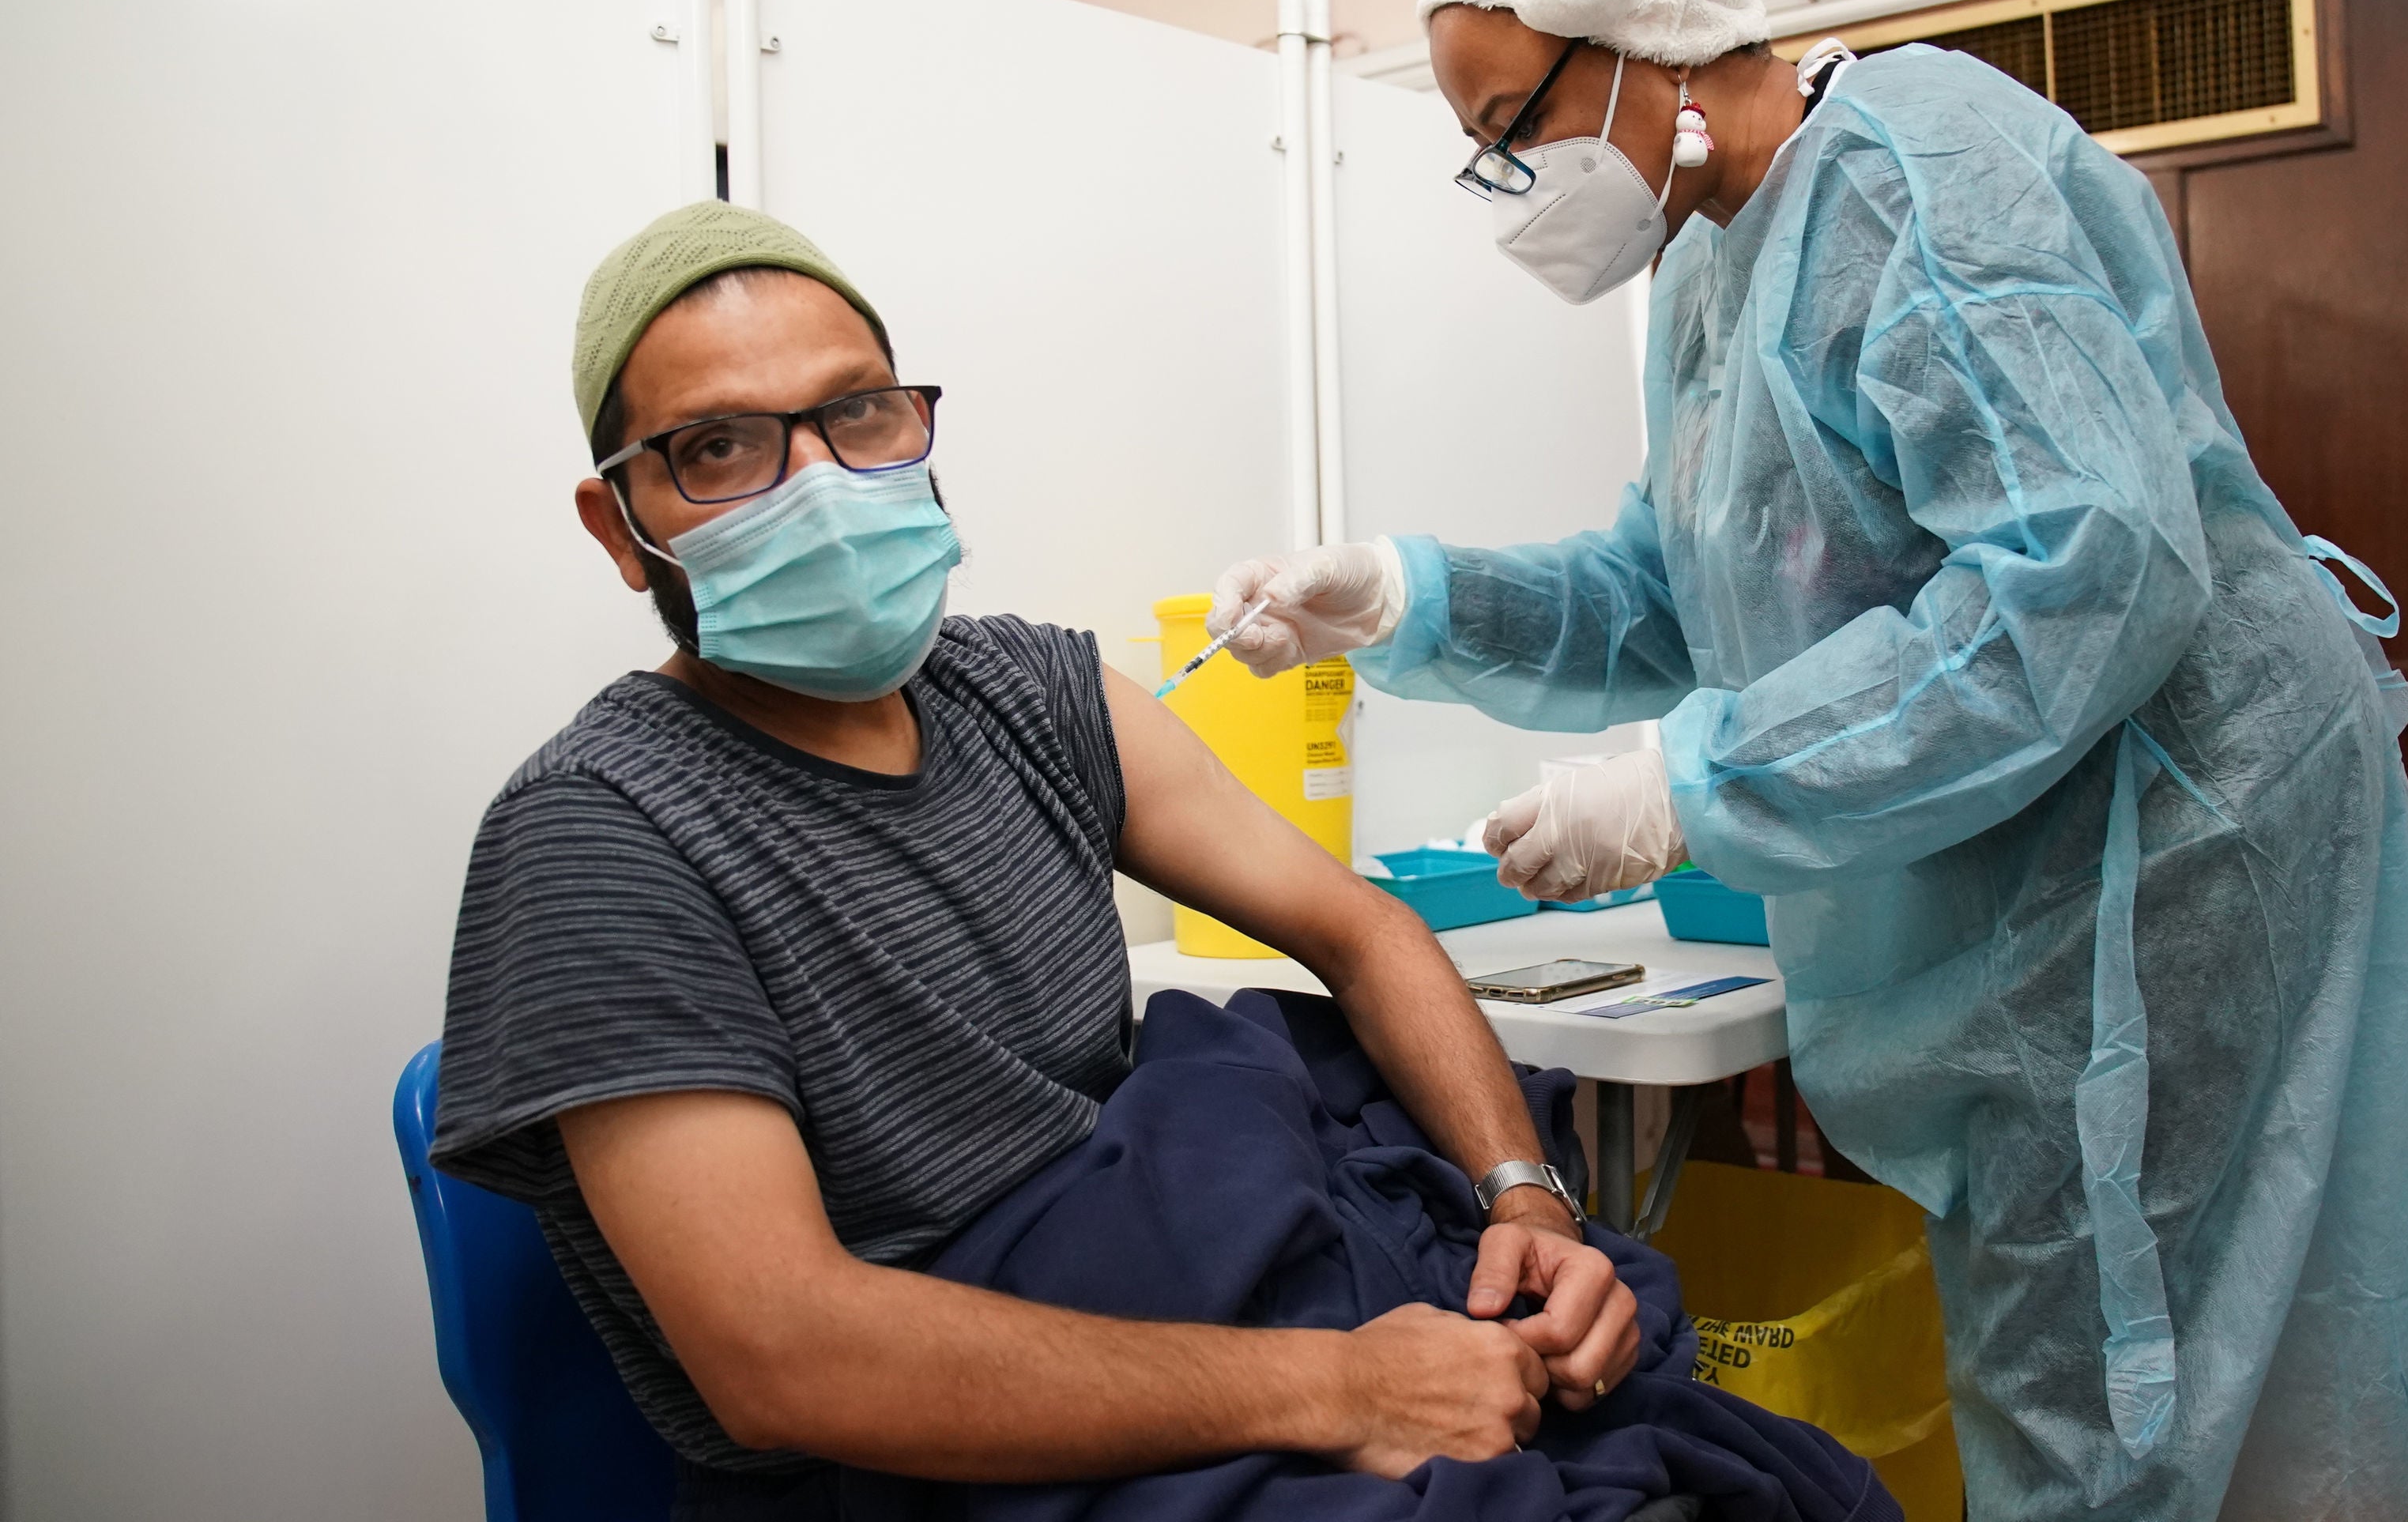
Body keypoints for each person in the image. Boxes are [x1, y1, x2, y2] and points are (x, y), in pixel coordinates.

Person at [1206, 0, 2408, 1520]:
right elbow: (1671, 585)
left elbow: (2083, 569)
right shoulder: (1711, 263)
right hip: (2032, 866)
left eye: (1508, 121)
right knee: (2108, 1343)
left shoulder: (1913, 172)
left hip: (2157, 847)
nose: (1503, 177)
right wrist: (1408, 594)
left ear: (1645, 36)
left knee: (2115, 1359)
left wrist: (1701, 780)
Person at [427, 203, 1647, 1505]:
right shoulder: (604, 832)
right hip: (934, 1460)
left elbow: (1361, 928)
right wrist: (1338, 1389)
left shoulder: (1030, 691)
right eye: (720, 448)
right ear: (622, 528)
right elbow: (786, 1357)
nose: (823, 487)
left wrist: (1526, 1203)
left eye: (860, 413)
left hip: (1196, 1313)